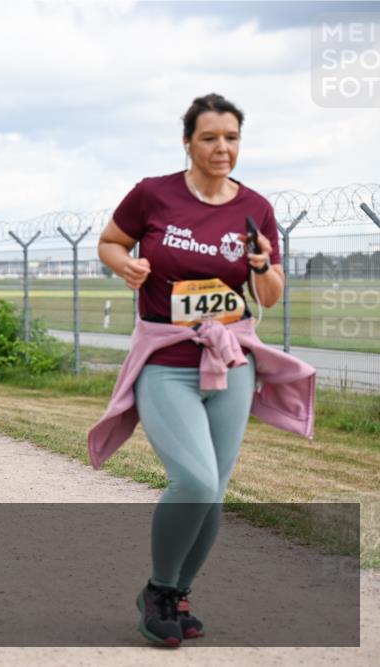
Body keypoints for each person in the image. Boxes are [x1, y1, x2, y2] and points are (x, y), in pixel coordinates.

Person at [92, 94, 313, 647]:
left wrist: (261, 264)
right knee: (192, 478)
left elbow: (270, 293)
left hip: (230, 359)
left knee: (214, 489)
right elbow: (110, 243)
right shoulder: (153, 194)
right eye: (210, 137)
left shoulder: (255, 209)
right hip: (166, 359)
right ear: (188, 142)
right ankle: (157, 589)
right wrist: (129, 265)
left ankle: (178, 593)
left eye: (232, 137)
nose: (222, 148)